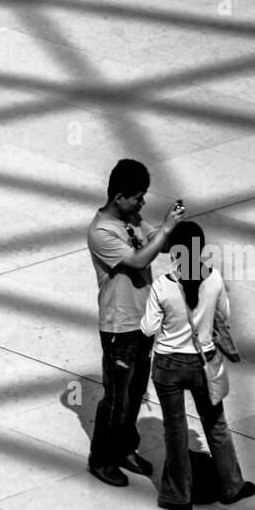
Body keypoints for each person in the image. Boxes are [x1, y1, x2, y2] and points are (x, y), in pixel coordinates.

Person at [140, 221, 255, 510]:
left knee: (175, 430)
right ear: (201, 249)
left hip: (167, 364)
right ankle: (232, 486)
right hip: (203, 362)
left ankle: (177, 497)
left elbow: (147, 328)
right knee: (215, 424)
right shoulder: (214, 279)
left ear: (173, 252)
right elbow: (224, 314)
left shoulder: (162, 284)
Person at [86, 159, 185, 487]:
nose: (142, 203)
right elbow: (139, 259)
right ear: (118, 197)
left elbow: (151, 244)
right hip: (119, 327)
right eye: (137, 197)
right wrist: (166, 229)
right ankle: (101, 459)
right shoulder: (102, 232)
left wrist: (172, 231)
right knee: (116, 397)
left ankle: (125, 449)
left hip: (142, 322)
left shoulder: (132, 219)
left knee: (136, 390)